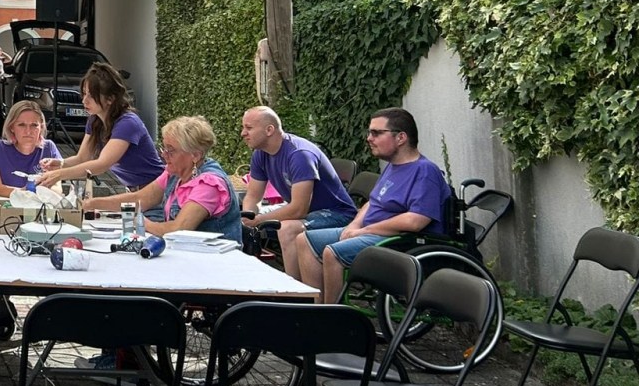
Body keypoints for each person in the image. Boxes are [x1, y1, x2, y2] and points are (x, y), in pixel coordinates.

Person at [295, 108, 449, 304]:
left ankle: (331, 313)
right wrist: (353, 225)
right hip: (369, 232)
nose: (369, 138)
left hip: (396, 239)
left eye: (376, 133)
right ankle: (317, 306)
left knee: (332, 253)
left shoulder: (425, 171)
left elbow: (415, 220)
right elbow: (373, 202)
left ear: (401, 138)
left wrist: (365, 230)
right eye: (369, 132)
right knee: (304, 240)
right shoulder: (393, 166)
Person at [238, 106, 358, 279]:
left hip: (337, 214)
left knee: (286, 229)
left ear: (269, 130)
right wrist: (249, 217)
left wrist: (258, 220)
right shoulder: (260, 154)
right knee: (240, 218)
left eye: (248, 128)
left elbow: (299, 209)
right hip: (307, 212)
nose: (243, 133)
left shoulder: (299, 155)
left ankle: (293, 289)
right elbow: (253, 196)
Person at [85, 115, 243, 241]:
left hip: (217, 263)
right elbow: (141, 199)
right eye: (164, 148)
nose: (164, 155)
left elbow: (178, 229)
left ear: (195, 155)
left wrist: (142, 223)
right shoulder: (175, 173)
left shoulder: (208, 184)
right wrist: (92, 203)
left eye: (171, 150)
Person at [36, 62, 164, 206]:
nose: (84, 100)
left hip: (157, 192)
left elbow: (102, 164)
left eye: (92, 96)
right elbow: (82, 158)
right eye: (84, 93)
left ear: (110, 99)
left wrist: (59, 174)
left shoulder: (128, 123)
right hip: (136, 192)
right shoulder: (94, 121)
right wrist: (60, 163)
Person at [0, 101, 61, 198]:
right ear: (11, 127)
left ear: (41, 127)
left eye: (34, 125)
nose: (28, 131)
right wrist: (27, 191)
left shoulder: (49, 148)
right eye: (22, 125)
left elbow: (57, 189)